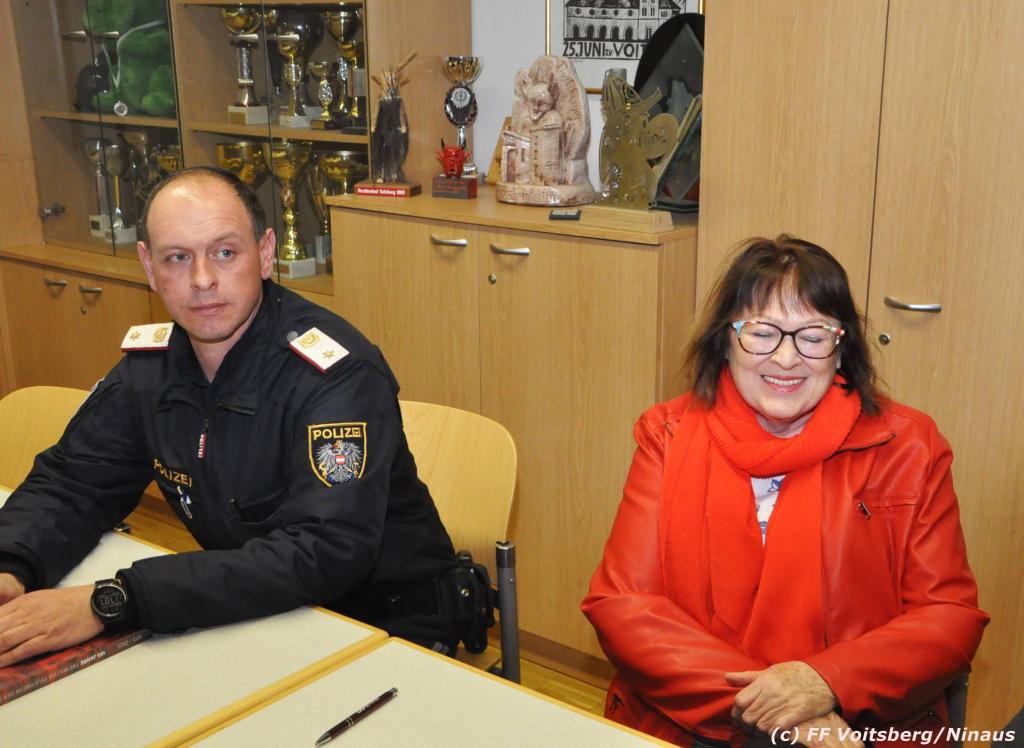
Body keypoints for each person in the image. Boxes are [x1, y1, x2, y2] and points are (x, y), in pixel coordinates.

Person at [0, 166, 463, 666]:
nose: (202, 280)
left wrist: (116, 600)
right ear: (149, 267)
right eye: (178, 258)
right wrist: (12, 564)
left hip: (386, 626)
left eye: (224, 252)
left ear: (265, 253)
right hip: (257, 614)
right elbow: (74, 482)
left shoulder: (335, 373)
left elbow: (325, 551)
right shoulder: (151, 368)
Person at [582, 236, 989, 748]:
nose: (786, 357)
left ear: (840, 348)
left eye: (812, 336)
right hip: (694, 725)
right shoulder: (666, 434)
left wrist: (824, 683)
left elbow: (948, 618)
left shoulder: (909, 445)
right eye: (762, 332)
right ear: (725, 340)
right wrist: (782, 715)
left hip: (855, 729)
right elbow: (624, 606)